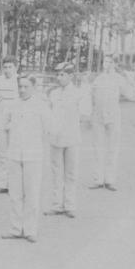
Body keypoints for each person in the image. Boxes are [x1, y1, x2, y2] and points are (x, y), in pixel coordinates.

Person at [1, 75, 51, 242]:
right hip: (14, 154)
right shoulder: (12, 105)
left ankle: (30, 230)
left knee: (31, 194)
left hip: (33, 155)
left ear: (33, 87)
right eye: (20, 86)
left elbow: (48, 128)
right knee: (15, 194)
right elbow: (4, 123)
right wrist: (11, 128)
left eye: (26, 87)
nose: (22, 90)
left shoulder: (41, 106)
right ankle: (16, 228)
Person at [46, 63, 91, 218]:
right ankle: (56, 205)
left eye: (63, 75)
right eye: (58, 75)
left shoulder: (79, 94)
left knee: (71, 173)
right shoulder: (53, 94)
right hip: (55, 138)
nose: (59, 78)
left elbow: (85, 114)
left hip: (71, 138)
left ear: (71, 76)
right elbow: (49, 115)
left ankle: (70, 205)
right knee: (56, 172)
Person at [89, 54, 135, 191]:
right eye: (105, 61)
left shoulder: (119, 79)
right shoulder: (99, 79)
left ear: (115, 64)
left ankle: (109, 180)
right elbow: (91, 97)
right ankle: (98, 179)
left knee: (112, 148)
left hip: (113, 117)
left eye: (110, 62)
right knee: (97, 148)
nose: (107, 64)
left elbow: (133, 96)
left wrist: (131, 80)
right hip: (98, 116)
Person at [0, 55, 19, 194]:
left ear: (15, 67)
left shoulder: (19, 81)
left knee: (15, 152)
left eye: (10, 67)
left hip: (15, 120)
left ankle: (14, 184)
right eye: (5, 67)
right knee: (2, 152)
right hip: (0, 118)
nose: (7, 70)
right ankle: (2, 183)